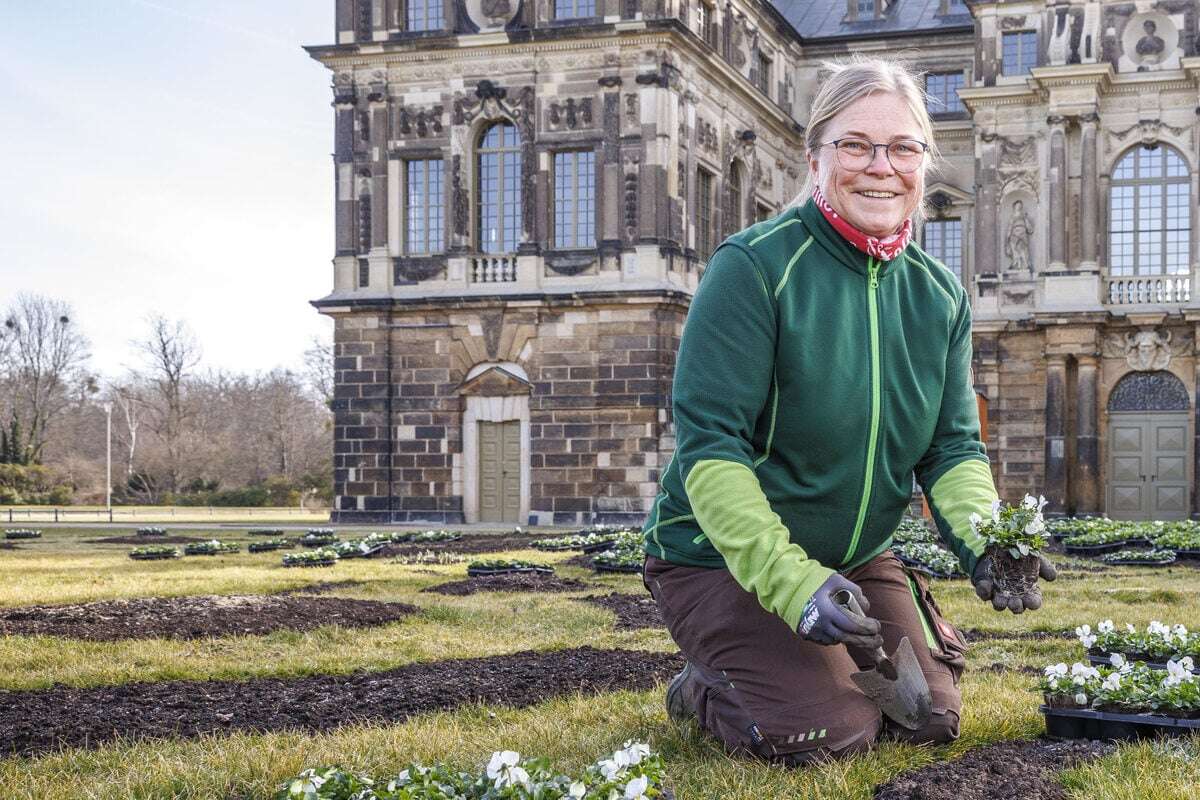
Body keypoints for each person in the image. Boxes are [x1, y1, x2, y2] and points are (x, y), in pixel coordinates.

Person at [640, 57, 1056, 766]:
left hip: (855, 559)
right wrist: (794, 584)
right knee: (833, 734)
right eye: (855, 145)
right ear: (815, 157)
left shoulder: (939, 296)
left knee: (929, 719)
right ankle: (701, 687)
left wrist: (987, 539)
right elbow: (712, 452)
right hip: (721, 561)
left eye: (902, 148)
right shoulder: (753, 269)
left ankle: (807, 663)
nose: (880, 167)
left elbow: (952, 449)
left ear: (924, 161)